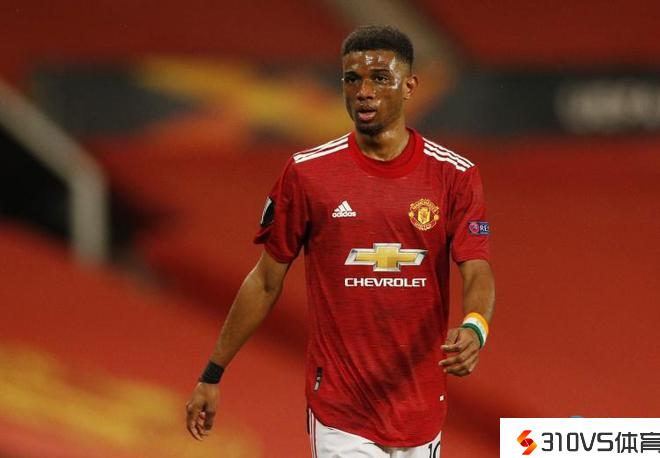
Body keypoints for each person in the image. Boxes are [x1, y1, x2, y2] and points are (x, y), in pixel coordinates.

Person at [186, 25, 495, 458]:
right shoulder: (307, 174)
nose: (364, 92)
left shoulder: (454, 175)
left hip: (421, 407)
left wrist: (475, 326)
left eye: (379, 79)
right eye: (352, 79)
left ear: (410, 87)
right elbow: (265, 281)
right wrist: (212, 373)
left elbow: (477, 267)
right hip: (340, 410)